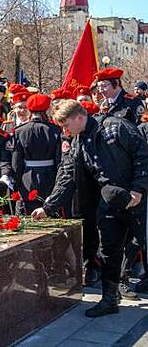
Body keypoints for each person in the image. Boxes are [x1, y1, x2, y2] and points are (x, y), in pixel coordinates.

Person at [32, 100, 148, 318]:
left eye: (66, 125)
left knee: (138, 243)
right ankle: (109, 298)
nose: (64, 130)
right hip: (112, 199)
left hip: (138, 197)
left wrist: (139, 188)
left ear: (79, 116)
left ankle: (126, 283)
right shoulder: (77, 143)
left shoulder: (116, 127)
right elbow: (67, 176)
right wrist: (48, 207)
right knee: (108, 250)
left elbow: (143, 155)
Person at [12, 94, 61, 214]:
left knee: (26, 216)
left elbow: (16, 162)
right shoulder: (55, 130)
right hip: (50, 177)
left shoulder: (20, 131)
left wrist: (17, 183)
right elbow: (59, 160)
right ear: (47, 109)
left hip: (27, 178)